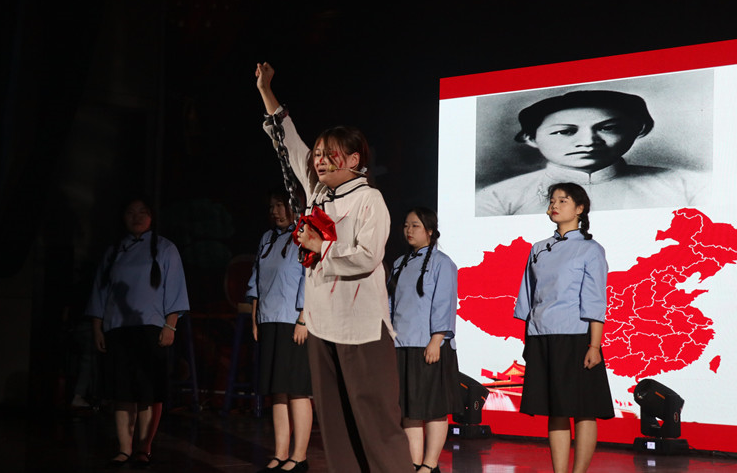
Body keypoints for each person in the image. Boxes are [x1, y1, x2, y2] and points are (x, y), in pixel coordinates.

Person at [255, 62, 413, 472]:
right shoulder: (317, 194)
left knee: (374, 417)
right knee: (335, 420)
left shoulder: (369, 200)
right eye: (319, 154)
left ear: (355, 159)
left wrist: (321, 246)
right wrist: (267, 91)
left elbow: (368, 256)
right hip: (322, 322)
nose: (320, 160)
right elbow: (288, 143)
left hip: (361, 326)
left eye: (330, 155)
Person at [475, 90, 709, 216]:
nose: (588, 142)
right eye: (565, 131)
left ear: (639, 130)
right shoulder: (496, 198)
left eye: (608, 128)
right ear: (530, 138)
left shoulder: (690, 186)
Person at [513, 182, 614, 473]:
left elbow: (595, 299)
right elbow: (528, 296)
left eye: (563, 200)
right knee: (554, 410)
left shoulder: (590, 249)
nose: (555, 205)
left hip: (576, 337)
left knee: (584, 410)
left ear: (580, 208)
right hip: (541, 336)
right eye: (552, 201)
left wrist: (594, 346)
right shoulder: (538, 248)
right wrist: (528, 339)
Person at [85, 198, 190, 468]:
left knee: (148, 393)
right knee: (122, 392)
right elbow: (100, 291)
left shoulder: (165, 248)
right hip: (118, 328)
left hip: (151, 328)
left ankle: (144, 447)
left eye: (143, 212)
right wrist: (98, 327)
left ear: (152, 216)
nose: (137, 216)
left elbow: (176, 288)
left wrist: (170, 325)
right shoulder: (114, 251)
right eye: (131, 212)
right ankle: (124, 448)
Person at [388, 207, 462, 473]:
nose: (409, 230)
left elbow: (444, 303)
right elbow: (390, 303)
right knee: (410, 409)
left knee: (433, 408)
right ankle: (414, 463)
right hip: (402, 343)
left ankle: (430, 465)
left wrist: (436, 339)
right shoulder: (400, 263)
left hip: (429, 345)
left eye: (415, 225)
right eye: (406, 225)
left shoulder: (443, 263)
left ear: (430, 230)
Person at [247, 188, 313, 473]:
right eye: (272, 206)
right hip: (269, 319)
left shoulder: (305, 235)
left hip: (292, 320)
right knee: (277, 391)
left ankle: (299, 456)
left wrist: (303, 318)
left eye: (281, 205)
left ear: (294, 206)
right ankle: (280, 453)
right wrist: (255, 319)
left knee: (296, 390)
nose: (275, 211)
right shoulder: (266, 238)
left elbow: (310, 279)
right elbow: (256, 281)